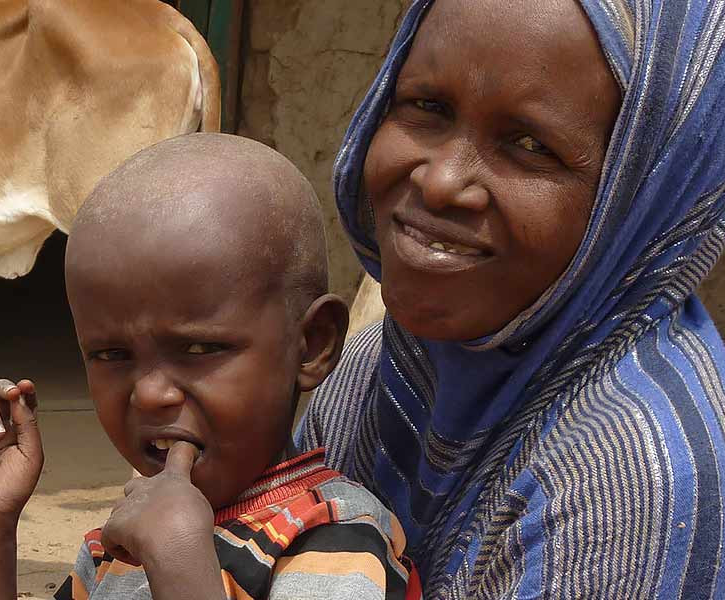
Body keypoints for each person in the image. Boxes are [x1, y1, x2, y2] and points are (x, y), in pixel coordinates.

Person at [295, 0, 725, 596]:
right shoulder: (375, 372)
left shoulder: (634, 481)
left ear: (637, 197)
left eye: (529, 144)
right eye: (426, 107)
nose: (440, 181)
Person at [0, 133, 421, 599]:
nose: (150, 394)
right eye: (112, 355)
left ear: (312, 345)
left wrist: (179, 561)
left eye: (198, 350)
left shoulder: (336, 540)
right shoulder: (113, 547)